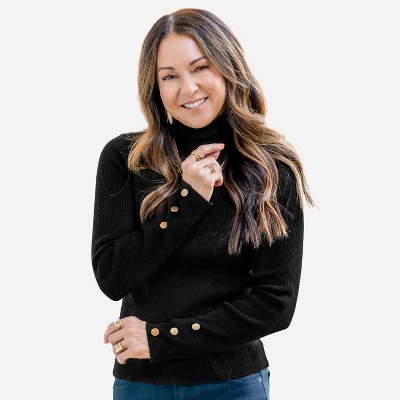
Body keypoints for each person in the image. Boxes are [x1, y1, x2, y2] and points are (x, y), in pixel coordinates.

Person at [91, 7, 314, 400]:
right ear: (155, 87)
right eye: (170, 76)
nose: (188, 88)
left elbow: (275, 303)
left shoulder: (271, 167)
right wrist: (187, 199)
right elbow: (113, 277)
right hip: (142, 386)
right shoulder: (126, 159)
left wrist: (160, 338)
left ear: (227, 67)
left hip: (233, 385)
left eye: (201, 67)